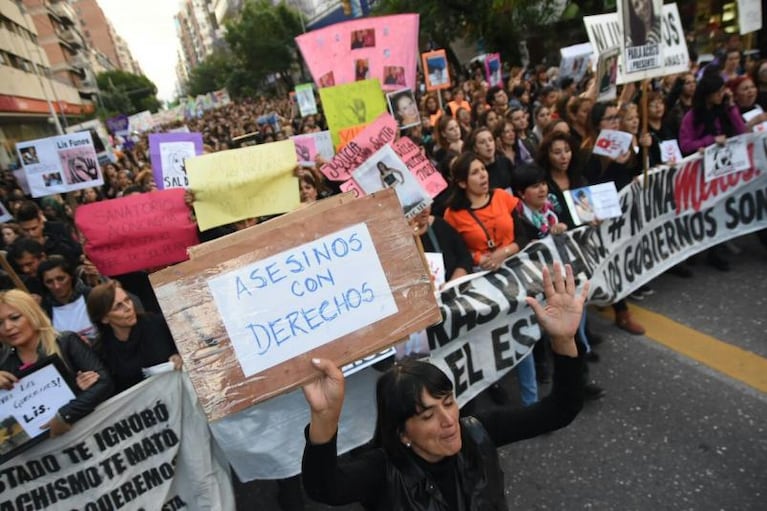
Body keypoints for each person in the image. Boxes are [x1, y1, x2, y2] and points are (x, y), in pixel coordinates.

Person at [301, 262, 587, 509]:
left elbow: (561, 410)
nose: (449, 420)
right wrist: (325, 420)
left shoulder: (476, 432)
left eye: (448, 402)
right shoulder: (384, 470)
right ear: (402, 433)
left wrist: (563, 341)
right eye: (427, 415)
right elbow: (325, 488)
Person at [0, 290, 113, 437]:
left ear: (32, 314)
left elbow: (104, 383)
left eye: (14, 318)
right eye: (0, 323)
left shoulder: (66, 342)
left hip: (92, 435)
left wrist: (65, 415)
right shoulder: (5, 365)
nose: (8, 327)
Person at [87, 281, 181, 393]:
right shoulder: (101, 351)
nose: (128, 308)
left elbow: (190, 343)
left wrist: (179, 354)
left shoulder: (157, 323)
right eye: (118, 306)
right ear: (104, 318)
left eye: (127, 300)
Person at [38, 257, 97, 342]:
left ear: (71, 276)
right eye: (49, 282)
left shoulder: (91, 296)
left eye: (61, 279)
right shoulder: (44, 312)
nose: (56, 286)